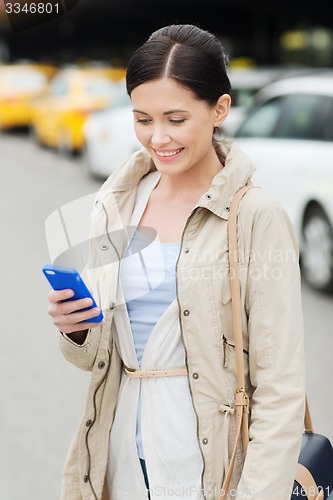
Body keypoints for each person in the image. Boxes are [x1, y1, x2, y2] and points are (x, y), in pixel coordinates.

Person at [47, 24, 305, 500]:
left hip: (211, 469)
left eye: (175, 119)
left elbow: (281, 387)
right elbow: (95, 359)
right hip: (120, 457)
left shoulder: (254, 216)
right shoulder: (116, 204)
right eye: (142, 119)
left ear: (219, 110)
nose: (157, 137)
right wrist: (76, 328)